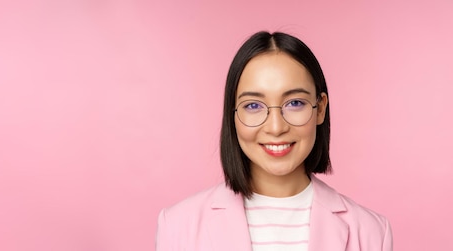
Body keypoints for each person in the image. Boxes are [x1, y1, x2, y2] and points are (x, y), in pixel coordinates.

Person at [155, 31, 392, 251]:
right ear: (233, 114)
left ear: (319, 109)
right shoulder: (177, 226)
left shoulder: (372, 232)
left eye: (295, 103)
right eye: (254, 106)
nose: (276, 128)